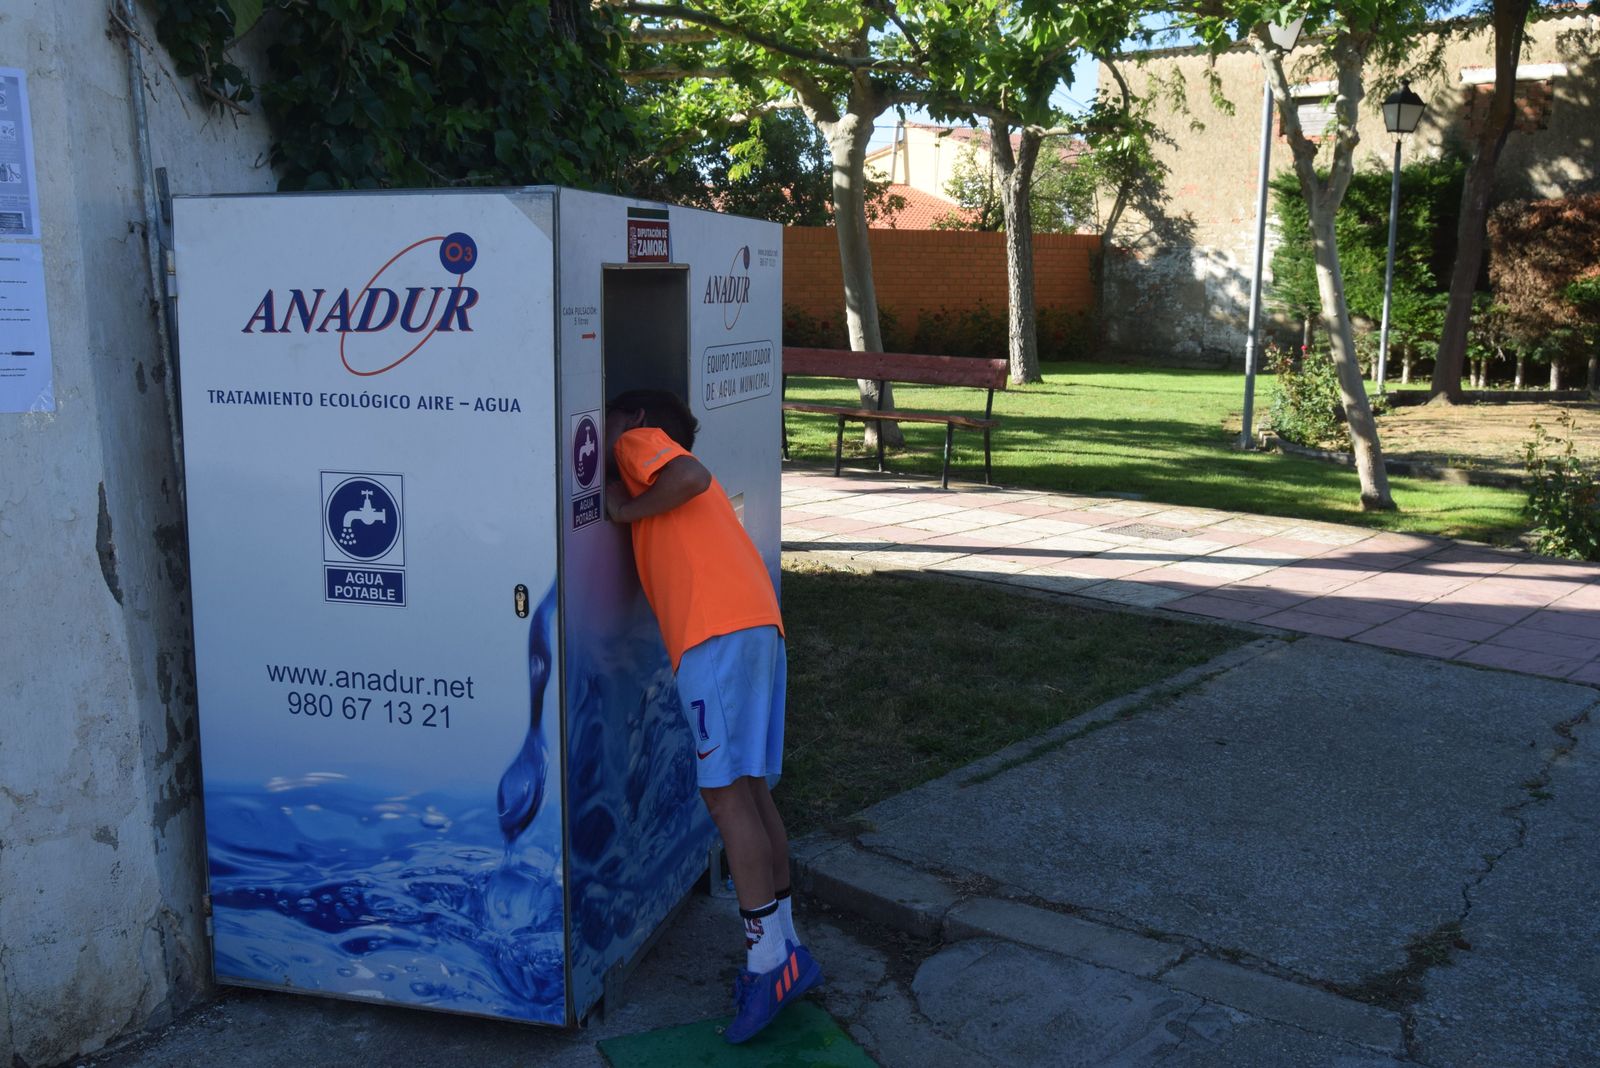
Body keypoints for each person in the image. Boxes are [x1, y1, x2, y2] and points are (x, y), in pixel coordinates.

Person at [604, 388, 822, 1043]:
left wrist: (621, 508)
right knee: (752, 791)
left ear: (639, 421)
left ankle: (765, 966)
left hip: (716, 636)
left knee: (726, 800)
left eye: (612, 417)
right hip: (755, 621)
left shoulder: (636, 444)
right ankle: (788, 950)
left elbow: (689, 474)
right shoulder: (664, 467)